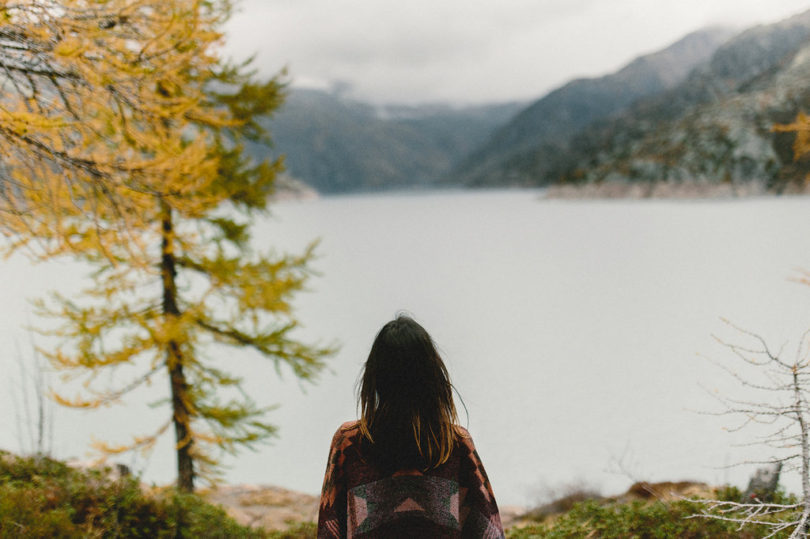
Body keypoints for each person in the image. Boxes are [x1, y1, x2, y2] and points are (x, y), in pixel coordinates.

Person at [317, 315, 504, 538]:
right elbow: (489, 532)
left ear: (375, 375)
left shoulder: (350, 442)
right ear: (431, 374)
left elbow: (329, 531)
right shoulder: (454, 443)